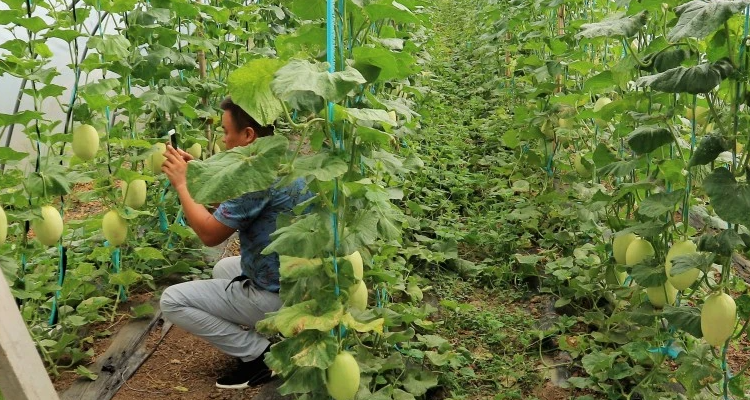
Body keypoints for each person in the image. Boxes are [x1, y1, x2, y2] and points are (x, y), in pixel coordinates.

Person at [159, 96, 311, 389]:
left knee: (172, 301)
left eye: (227, 132)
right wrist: (198, 177)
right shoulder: (281, 160)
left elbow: (209, 234)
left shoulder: (255, 180)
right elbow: (236, 206)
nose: (225, 140)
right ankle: (273, 329)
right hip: (300, 281)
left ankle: (258, 355)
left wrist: (180, 185)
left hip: (279, 294)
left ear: (248, 135)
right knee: (224, 269)